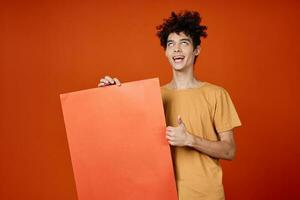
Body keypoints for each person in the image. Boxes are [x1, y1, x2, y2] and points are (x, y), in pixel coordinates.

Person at [98, 11, 241, 200]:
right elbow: (124, 140)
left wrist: (190, 139)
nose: (176, 49)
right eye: (170, 44)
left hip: (206, 196)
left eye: (184, 43)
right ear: (165, 52)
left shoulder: (216, 94)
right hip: (160, 195)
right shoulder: (153, 96)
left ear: (197, 49)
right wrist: (111, 96)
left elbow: (229, 150)